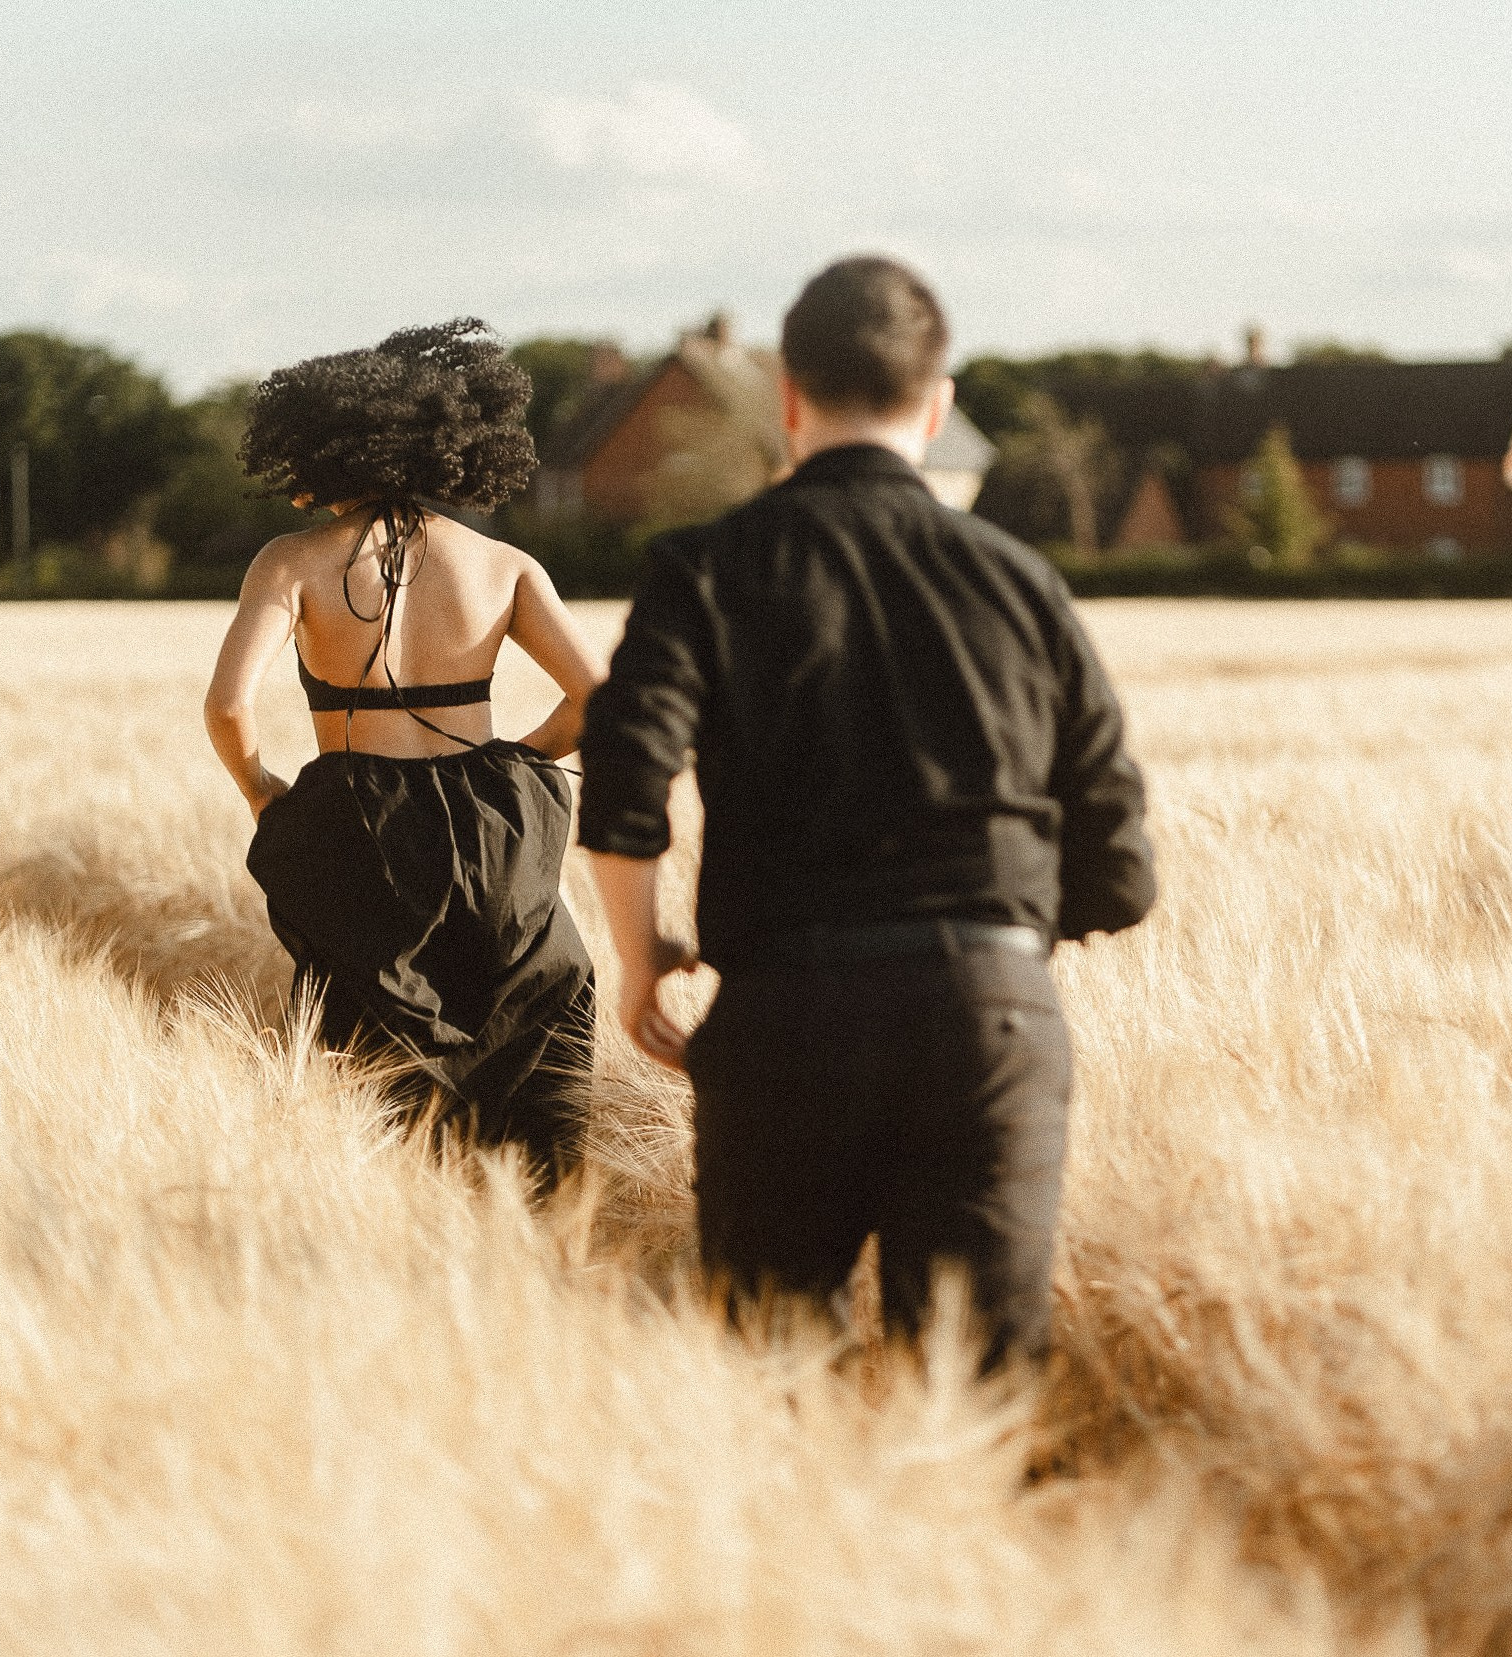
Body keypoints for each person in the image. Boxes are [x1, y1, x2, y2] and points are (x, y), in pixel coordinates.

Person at [577, 257, 1156, 1370]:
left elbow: (623, 780)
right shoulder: (1020, 581)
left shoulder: (705, 569)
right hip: (988, 1018)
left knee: (769, 1376)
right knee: (975, 1392)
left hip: (782, 1017)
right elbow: (1121, 871)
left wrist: (645, 960)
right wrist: (989, 946)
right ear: (937, 408)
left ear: (787, 396)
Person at [204, 319, 604, 1193]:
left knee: (375, 1057)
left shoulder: (291, 562)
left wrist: (265, 793)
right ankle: (542, 1230)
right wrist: (519, 764)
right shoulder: (502, 563)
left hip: (359, 828)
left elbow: (228, 705)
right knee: (531, 1014)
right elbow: (602, 699)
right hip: (496, 828)